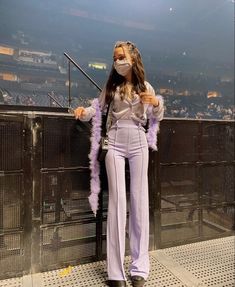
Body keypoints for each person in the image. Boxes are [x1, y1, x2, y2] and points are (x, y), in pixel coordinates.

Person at [74, 41, 164, 287]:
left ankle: (140, 267)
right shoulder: (111, 85)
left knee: (139, 201)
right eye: (114, 58)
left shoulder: (146, 87)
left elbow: (157, 116)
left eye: (121, 57)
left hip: (138, 140)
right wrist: (84, 112)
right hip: (113, 142)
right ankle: (115, 272)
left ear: (133, 58)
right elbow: (98, 107)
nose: (117, 62)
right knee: (116, 203)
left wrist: (155, 103)